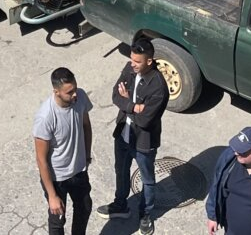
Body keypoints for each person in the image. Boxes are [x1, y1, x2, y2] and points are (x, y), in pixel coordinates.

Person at [99, 39, 168, 234]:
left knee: (147, 180)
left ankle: (145, 214)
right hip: (123, 133)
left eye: (137, 61)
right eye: (132, 59)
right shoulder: (129, 69)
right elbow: (115, 95)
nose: (132, 64)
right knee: (120, 170)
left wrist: (126, 101)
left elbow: (145, 121)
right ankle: (120, 204)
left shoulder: (158, 87)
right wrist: (134, 106)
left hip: (143, 141)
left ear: (149, 61)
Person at [33, 66, 93, 235]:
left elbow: (86, 126)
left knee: (84, 207)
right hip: (57, 178)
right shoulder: (45, 117)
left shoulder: (80, 97)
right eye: (69, 92)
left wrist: (87, 156)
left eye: (75, 88)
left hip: (78, 170)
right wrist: (52, 196)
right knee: (58, 220)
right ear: (56, 92)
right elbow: (41, 159)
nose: (74, 94)